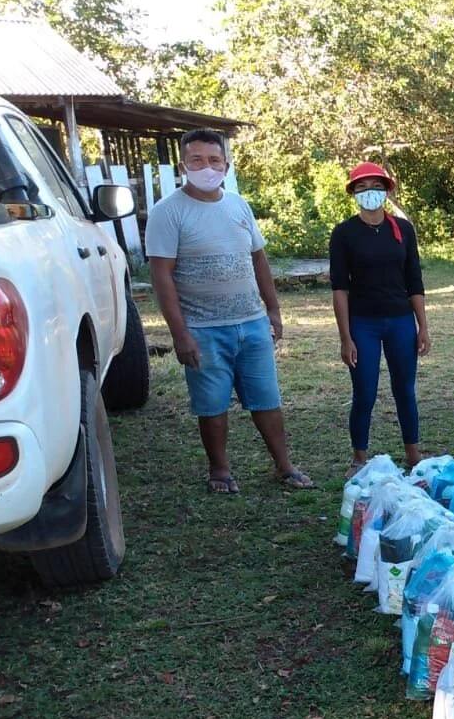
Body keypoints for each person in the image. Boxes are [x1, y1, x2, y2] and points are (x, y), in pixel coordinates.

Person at [145, 129, 313, 494]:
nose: (206, 167)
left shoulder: (239, 205)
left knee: (267, 399)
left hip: (252, 324)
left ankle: (284, 466)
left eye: (214, 160)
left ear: (226, 163)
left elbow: (259, 259)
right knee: (212, 405)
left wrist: (273, 311)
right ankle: (219, 471)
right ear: (182, 166)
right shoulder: (167, 212)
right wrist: (180, 334)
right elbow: (161, 276)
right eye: (197, 161)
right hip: (203, 330)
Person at [329, 162, 430, 475]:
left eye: (375, 186)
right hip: (363, 324)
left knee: (405, 389)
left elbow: (414, 280)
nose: (369, 193)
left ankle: (413, 455)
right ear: (353, 194)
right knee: (365, 392)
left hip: (400, 321)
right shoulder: (344, 233)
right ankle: (359, 457)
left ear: (387, 190)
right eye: (361, 188)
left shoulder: (403, 230)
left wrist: (422, 326)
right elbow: (340, 289)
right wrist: (346, 338)